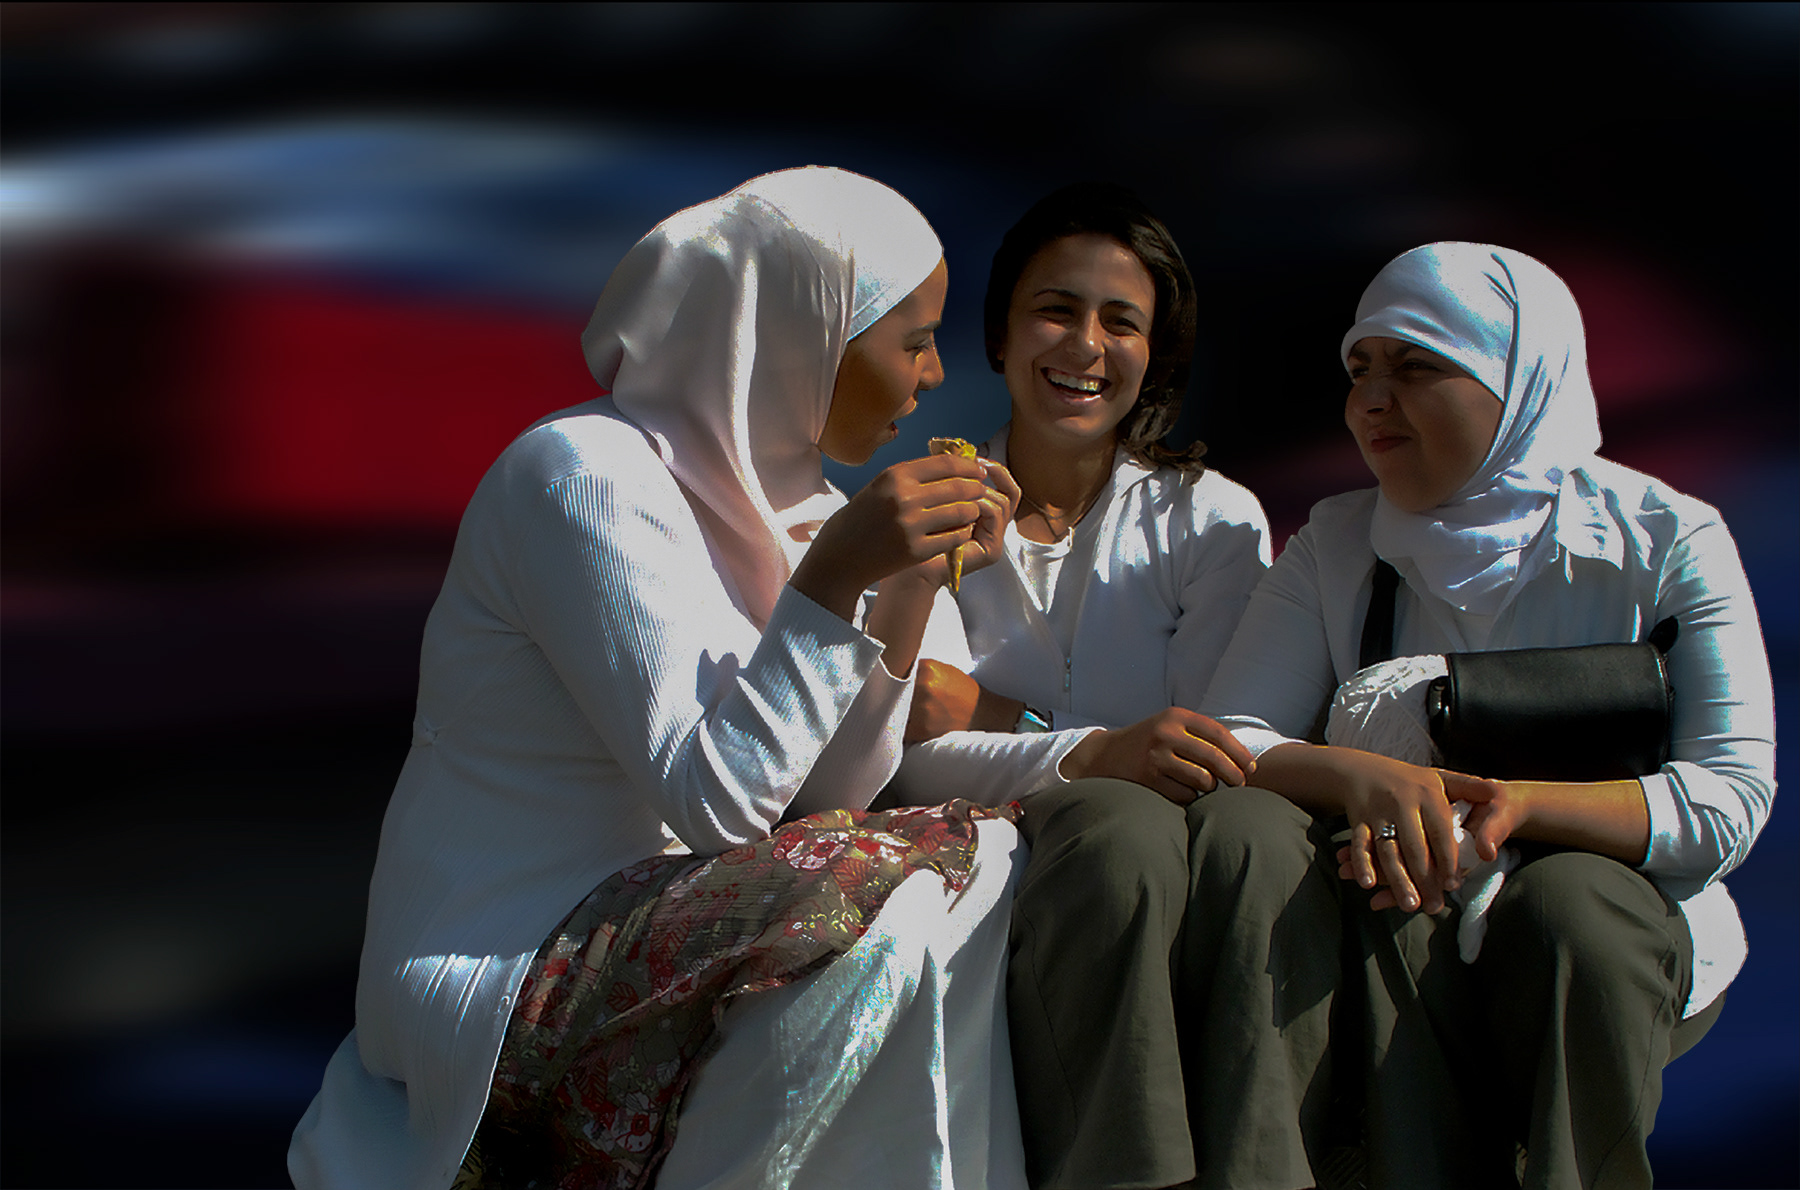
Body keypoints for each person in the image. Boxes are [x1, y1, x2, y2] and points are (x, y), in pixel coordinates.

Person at [288, 167, 1035, 1190]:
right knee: (894, 887)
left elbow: (828, 801)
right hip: (507, 969)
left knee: (973, 870)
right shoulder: (582, 476)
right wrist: (834, 580)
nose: (936, 374)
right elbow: (724, 805)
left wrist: (900, 590)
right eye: (912, 339)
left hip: (680, 932)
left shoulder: (805, 511)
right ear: (804, 333)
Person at [1190, 242, 1776, 1189]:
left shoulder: (1667, 536)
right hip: (1399, 901)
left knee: (1572, 907)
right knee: (1353, 878)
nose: (1371, 401)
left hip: (1602, 933)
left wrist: (1511, 809)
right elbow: (1234, 737)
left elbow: (1727, 801)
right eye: (1359, 370)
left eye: (1415, 366)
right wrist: (1365, 779)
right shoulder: (1335, 545)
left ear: (1519, 378)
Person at [886, 184, 1270, 1190]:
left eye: (1122, 320)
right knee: (1116, 817)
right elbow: (911, 745)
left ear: (1157, 352)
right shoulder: (928, 504)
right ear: (1000, 335)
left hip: (1151, 898)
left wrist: (1009, 719)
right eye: (1056, 308)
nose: (1086, 344)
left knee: (1130, 828)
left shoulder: (1212, 521)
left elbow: (1200, 755)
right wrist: (1099, 746)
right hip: (970, 888)